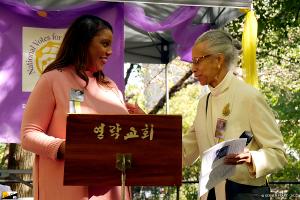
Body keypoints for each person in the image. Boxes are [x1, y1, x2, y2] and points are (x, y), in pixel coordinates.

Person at [21, 15, 131, 200]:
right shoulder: (52, 80)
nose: (110, 51)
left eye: (111, 45)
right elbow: (28, 134)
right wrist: (64, 147)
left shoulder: (111, 86)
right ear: (83, 43)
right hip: (68, 191)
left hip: (113, 190)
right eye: (104, 43)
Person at [182, 29, 287, 200]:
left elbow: (278, 153)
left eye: (197, 61)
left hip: (242, 193)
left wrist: (251, 158)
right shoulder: (204, 103)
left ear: (218, 59)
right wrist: (153, 127)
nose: (193, 69)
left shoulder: (249, 97)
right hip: (210, 193)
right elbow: (186, 151)